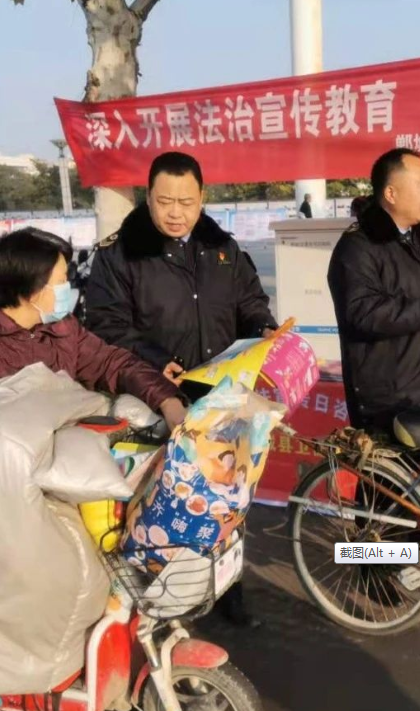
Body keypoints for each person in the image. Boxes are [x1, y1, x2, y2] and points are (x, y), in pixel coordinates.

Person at [0, 228, 186, 711]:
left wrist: (167, 400)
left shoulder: (57, 326)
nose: (69, 289)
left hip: (26, 488)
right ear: (28, 290)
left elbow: (110, 362)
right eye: (62, 280)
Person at [84, 151, 277, 627]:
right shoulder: (119, 254)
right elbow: (106, 326)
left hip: (222, 395)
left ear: (202, 198)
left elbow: (251, 302)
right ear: (148, 197)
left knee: (229, 495)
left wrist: (264, 328)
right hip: (157, 397)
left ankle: (227, 586)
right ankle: (156, 593)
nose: (176, 213)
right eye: (165, 201)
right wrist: (153, 359)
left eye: (186, 203)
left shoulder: (222, 248)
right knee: (163, 498)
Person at [328, 147, 420, 434]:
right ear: (391, 193)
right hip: (390, 402)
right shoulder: (358, 247)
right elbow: (361, 313)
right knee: (390, 466)